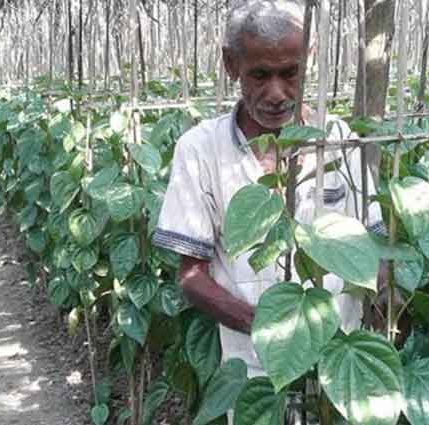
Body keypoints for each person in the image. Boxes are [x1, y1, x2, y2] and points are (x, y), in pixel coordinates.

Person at [153, 0, 383, 421]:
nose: (277, 93)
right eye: (259, 75)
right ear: (230, 65)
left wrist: (379, 311)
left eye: (289, 73)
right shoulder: (201, 151)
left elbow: (373, 248)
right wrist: (273, 331)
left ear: (308, 61)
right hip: (254, 370)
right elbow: (190, 277)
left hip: (337, 368)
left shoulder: (338, 139)